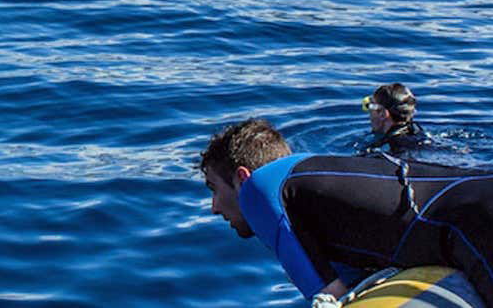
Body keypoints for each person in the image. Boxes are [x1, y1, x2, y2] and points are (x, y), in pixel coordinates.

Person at [200, 118, 493, 306]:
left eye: (213, 188)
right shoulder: (318, 190)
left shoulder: (257, 189)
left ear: (241, 177)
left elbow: (329, 294)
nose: (213, 207)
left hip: (470, 224)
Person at [361, 82, 430, 154]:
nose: (369, 113)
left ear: (382, 114)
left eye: (370, 107)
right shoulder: (419, 135)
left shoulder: (389, 147)